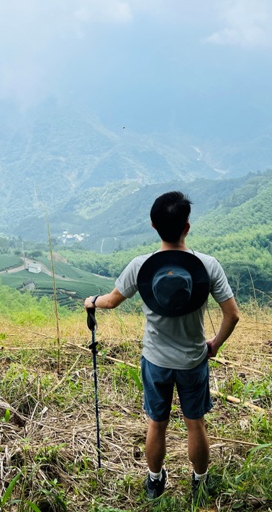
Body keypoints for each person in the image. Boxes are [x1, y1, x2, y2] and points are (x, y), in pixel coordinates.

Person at [84, 191, 240, 503]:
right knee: (195, 423)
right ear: (187, 227)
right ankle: (199, 481)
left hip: (155, 361)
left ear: (154, 226)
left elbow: (113, 301)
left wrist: (92, 301)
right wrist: (215, 345)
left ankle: (155, 481)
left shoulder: (141, 266)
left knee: (157, 423)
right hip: (194, 360)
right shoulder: (208, 266)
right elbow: (232, 315)